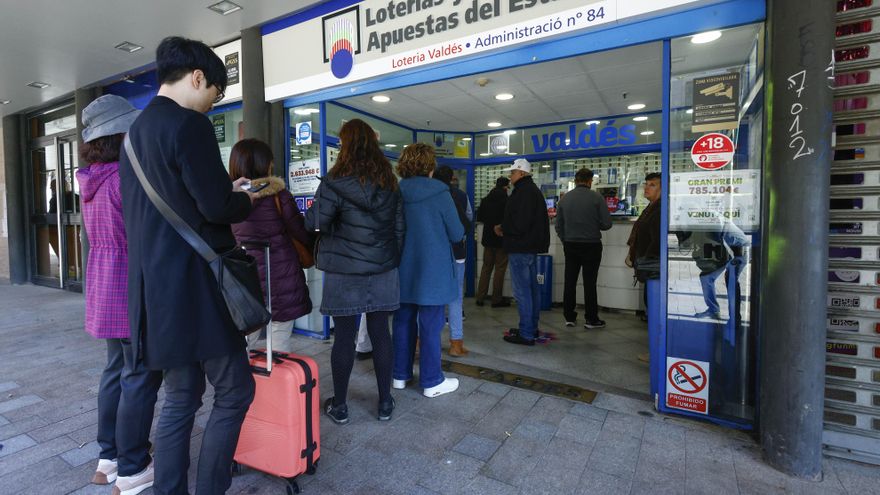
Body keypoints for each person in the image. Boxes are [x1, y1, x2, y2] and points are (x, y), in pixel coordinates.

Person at [119, 36, 257, 495]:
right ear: (198, 77)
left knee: (180, 398)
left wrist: (222, 192)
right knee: (235, 391)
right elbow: (216, 208)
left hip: (155, 293)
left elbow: (170, 204)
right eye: (214, 93)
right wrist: (243, 198)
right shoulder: (190, 126)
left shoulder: (134, 135)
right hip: (200, 288)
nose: (212, 103)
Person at [76, 95, 162, 495]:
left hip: (103, 284)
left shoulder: (90, 178)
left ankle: (107, 459)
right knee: (139, 374)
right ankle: (133, 467)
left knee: (116, 370)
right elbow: (143, 235)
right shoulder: (125, 179)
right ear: (120, 136)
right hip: (130, 284)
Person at [305, 119, 403, 424]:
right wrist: (389, 258)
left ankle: (341, 406)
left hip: (345, 271)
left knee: (345, 337)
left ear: (345, 146)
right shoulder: (390, 182)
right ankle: (385, 402)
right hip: (384, 270)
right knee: (380, 335)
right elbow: (400, 228)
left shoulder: (334, 182)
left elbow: (314, 223)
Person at [393, 143, 464, 397]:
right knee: (431, 325)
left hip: (402, 268)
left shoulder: (396, 192)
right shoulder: (440, 193)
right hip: (433, 271)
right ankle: (432, 380)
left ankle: (400, 375)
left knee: (402, 321)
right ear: (430, 166)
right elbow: (457, 233)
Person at [229, 138, 313, 352]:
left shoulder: (226, 198)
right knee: (279, 340)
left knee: (243, 339)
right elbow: (299, 231)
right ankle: (276, 384)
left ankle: (244, 383)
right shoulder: (279, 195)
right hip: (280, 275)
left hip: (243, 278)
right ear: (264, 164)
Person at [496, 159, 550, 346]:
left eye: (512, 173)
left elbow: (520, 222)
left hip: (520, 247)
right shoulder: (530, 190)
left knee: (522, 292)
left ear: (522, 173)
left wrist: (503, 227)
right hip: (530, 246)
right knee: (532, 290)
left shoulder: (524, 192)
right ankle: (530, 327)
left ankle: (526, 332)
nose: (510, 176)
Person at [555, 168, 612, 329]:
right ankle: (591, 319)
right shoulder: (597, 197)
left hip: (571, 245)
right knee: (590, 282)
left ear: (576, 179)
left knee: (570, 281)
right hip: (592, 245)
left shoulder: (565, 199)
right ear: (590, 180)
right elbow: (607, 224)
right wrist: (595, 225)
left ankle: (569, 317)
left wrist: (565, 239)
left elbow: (558, 225)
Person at [433, 166, 471, 357]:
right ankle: (456, 344)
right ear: (452, 178)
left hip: (436, 254)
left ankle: (421, 342)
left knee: (433, 299)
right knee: (456, 298)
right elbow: (469, 219)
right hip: (457, 253)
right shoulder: (461, 195)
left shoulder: (430, 195)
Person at [626, 172, 662, 363]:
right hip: (649, 267)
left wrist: (643, 260)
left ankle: (658, 350)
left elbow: (656, 242)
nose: (647, 188)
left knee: (656, 311)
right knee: (652, 308)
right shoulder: (651, 207)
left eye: (653, 185)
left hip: (654, 269)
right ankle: (656, 349)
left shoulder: (660, 210)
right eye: (646, 184)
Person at [476, 177, 510, 307]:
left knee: (486, 268)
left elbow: (480, 218)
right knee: (499, 270)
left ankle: (480, 297)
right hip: (501, 240)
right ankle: (496, 300)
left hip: (488, 240)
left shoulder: (485, 200)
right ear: (505, 187)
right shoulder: (507, 201)